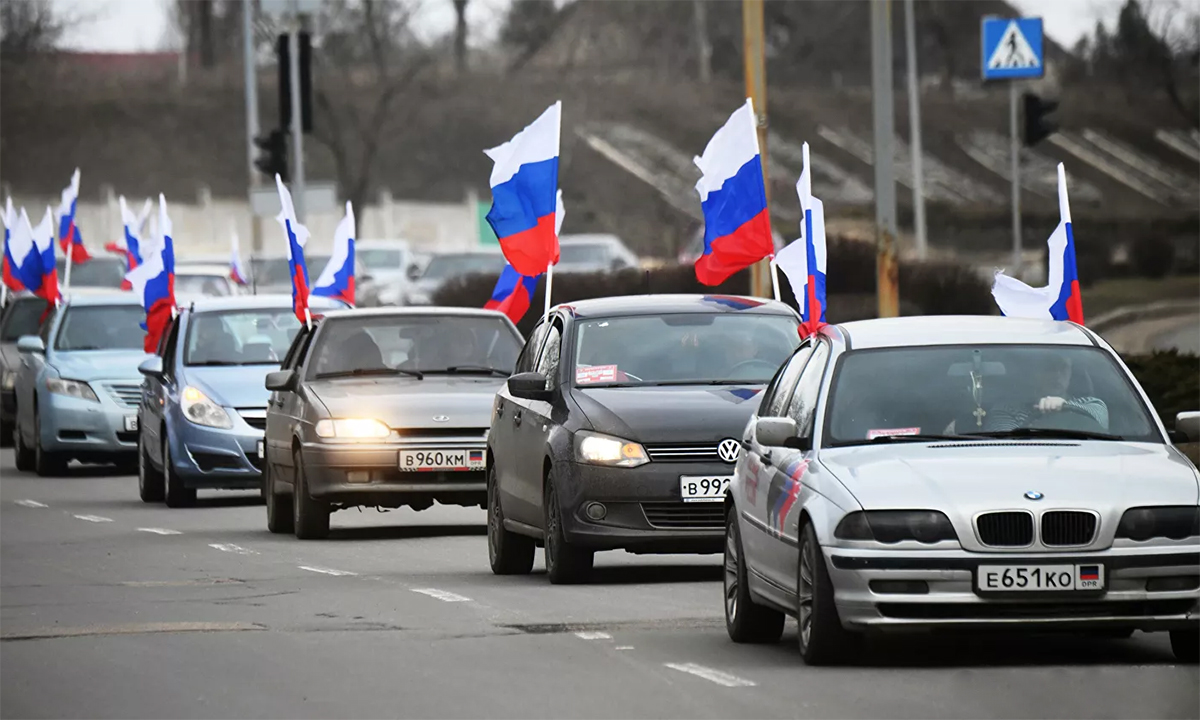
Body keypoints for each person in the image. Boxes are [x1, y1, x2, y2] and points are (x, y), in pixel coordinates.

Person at [983, 354, 1108, 432]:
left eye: (1063, 367)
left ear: (1070, 372)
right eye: (1050, 368)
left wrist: (1064, 406)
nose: (1058, 375)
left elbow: (1100, 421)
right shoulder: (1006, 411)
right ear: (1033, 373)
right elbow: (1005, 448)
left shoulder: (1091, 404)